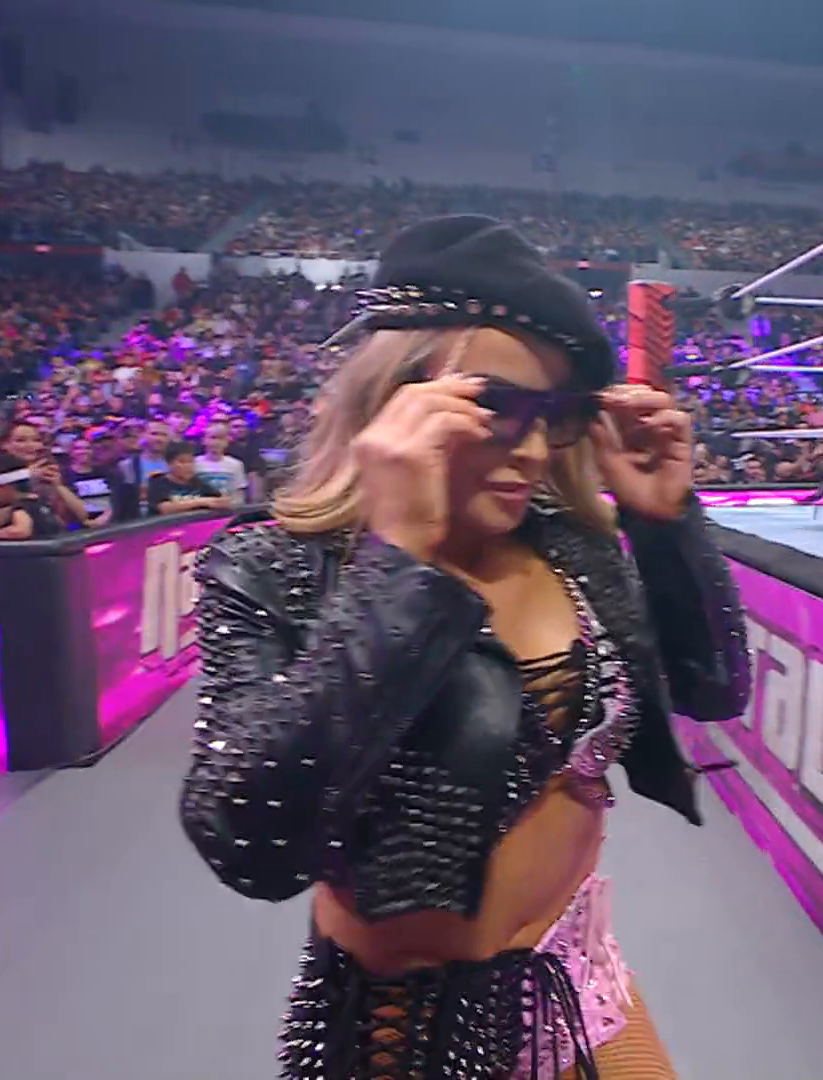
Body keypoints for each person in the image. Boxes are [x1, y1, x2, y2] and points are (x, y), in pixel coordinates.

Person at [178, 215, 752, 1080]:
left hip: (579, 977)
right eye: (496, 407)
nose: (532, 450)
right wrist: (399, 560)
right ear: (393, 400)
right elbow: (247, 841)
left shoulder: (569, 546)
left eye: (554, 415)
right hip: (409, 1037)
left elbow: (714, 690)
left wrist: (666, 524)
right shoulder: (276, 567)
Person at [145, 442, 233, 516]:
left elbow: (219, 500)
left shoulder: (198, 483)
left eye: (191, 461)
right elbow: (165, 508)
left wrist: (222, 501)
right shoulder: (158, 481)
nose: (188, 466)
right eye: (182, 462)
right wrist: (201, 502)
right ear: (169, 464)